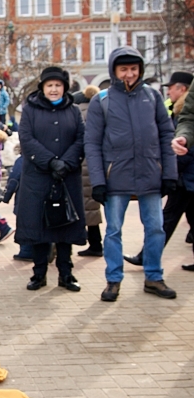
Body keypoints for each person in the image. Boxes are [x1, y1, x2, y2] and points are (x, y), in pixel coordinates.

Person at [85, 46, 177, 302]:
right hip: (116, 177)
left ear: (140, 70)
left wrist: (169, 173)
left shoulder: (152, 96)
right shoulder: (102, 100)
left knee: (156, 228)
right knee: (114, 230)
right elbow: (91, 143)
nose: (129, 74)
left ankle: (154, 277)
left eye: (133, 69)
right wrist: (99, 181)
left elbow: (166, 134)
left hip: (150, 173)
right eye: (123, 69)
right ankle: (113, 280)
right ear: (114, 70)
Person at [16, 66, 86, 292]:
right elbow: (26, 139)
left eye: (58, 85)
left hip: (66, 176)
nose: (54, 89)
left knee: (65, 226)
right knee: (38, 228)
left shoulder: (73, 110)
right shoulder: (30, 110)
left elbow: (81, 138)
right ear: (43, 87)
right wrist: (50, 161)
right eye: (49, 85)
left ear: (64, 87)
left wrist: (66, 162)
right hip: (38, 177)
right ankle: (39, 273)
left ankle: (66, 273)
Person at [124, 72, 194, 271]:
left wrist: (170, 171)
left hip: (185, 177)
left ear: (182, 89)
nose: (168, 90)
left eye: (171, 87)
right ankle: (146, 256)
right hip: (185, 176)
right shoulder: (178, 110)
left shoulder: (182, 111)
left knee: (167, 219)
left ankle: (146, 256)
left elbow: (185, 151)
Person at [73, 85, 104, 257]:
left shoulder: (79, 113)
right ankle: (95, 243)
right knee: (92, 208)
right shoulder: (97, 112)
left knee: (81, 207)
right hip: (93, 166)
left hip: (81, 165)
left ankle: (93, 244)